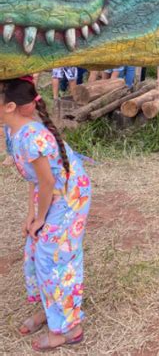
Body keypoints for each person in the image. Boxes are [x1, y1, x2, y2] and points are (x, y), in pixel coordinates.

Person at [0, 76, 91, 351]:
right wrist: (32, 215)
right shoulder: (12, 132)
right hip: (51, 193)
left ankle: (69, 328)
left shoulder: (32, 138)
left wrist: (41, 219)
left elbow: (49, 182)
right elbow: (36, 180)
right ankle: (52, 315)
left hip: (69, 197)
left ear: (10, 106)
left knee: (54, 258)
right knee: (36, 248)